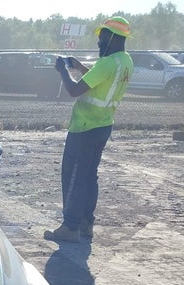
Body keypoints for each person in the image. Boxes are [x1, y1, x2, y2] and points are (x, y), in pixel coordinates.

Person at [44, 16, 134, 243]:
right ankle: (86, 223)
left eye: (102, 37)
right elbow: (98, 79)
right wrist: (77, 66)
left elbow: (74, 90)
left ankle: (70, 227)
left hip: (84, 127)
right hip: (103, 126)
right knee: (88, 176)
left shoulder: (106, 63)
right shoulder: (125, 61)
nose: (98, 41)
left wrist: (63, 70)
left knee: (74, 177)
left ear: (112, 37)